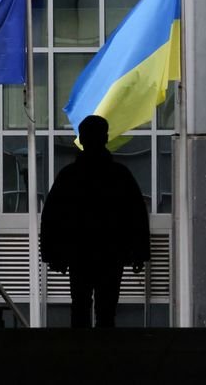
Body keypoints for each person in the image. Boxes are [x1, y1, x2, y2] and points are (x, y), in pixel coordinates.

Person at [41, 115, 150, 327]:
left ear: (81, 139)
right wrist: (139, 253)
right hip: (112, 251)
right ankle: (104, 353)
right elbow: (136, 216)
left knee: (80, 306)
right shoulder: (119, 175)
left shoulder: (69, 176)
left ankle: (81, 354)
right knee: (107, 309)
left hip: (79, 252)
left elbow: (53, 217)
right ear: (106, 138)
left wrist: (52, 254)